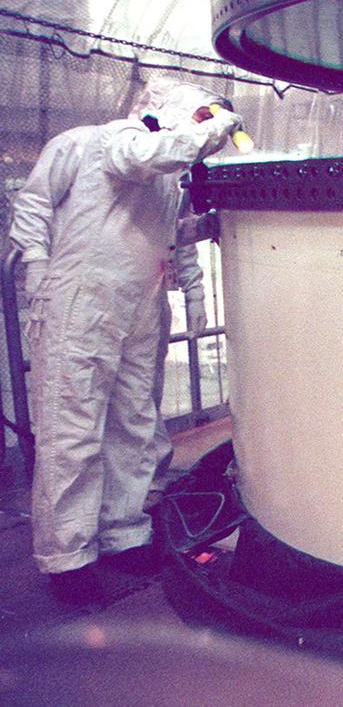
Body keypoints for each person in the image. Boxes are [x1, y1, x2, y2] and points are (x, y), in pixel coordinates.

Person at [8, 79, 241, 603]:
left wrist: (196, 296)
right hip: (80, 299)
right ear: (170, 113)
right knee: (73, 427)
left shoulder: (165, 177)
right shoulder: (101, 142)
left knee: (135, 420)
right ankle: (69, 555)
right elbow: (33, 208)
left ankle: (125, 533)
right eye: (201, 117)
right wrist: (39, 274)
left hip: (139, 302)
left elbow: (174, 235)